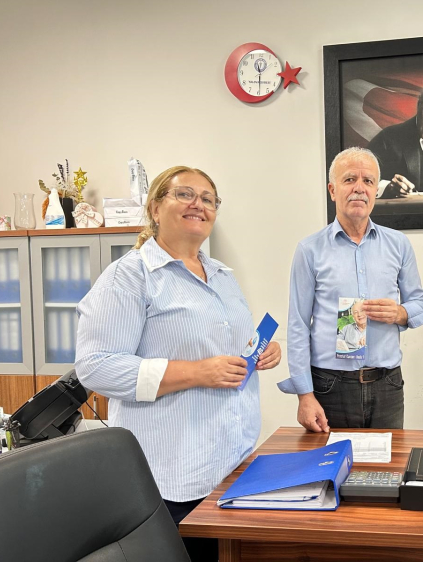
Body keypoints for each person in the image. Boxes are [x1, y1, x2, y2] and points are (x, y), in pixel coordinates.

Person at [75, 166, 281, 562]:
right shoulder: (129, 277)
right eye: (185, 194)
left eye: (208, 199)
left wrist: (262, 351)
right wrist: (197, 372)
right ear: (155, 208)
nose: (198, 204)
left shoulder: (222, 275)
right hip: (171, 478)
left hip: (232, 464)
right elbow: (96, 366)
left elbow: (225, 345)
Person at [280, 147, 423, 431]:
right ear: (332, 190)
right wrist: (304, 395)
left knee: (389, 460)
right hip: (329, 386)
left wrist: (400, 313)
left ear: (375, 191)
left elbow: (418, 303)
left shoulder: (398, 244)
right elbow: (297, 325)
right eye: (349, 179)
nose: (359, 188)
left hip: (387, 384)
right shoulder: (309, 250)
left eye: (368, 181)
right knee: (331, 461)